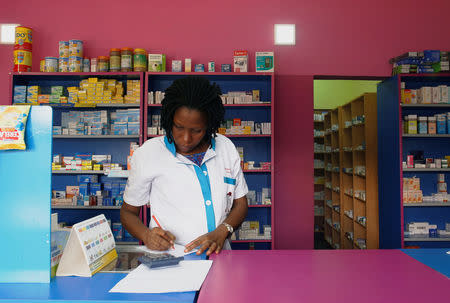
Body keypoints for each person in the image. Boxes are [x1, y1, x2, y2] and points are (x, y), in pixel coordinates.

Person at [121, 76, 248, 256]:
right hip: (170, 260)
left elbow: (241, 203)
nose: (186, 139)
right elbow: (127, 213)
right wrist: (147, 235)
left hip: (221, 257)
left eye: (196, 130)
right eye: (179, 127)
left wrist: (223, 230)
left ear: (209, 124)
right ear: (169, 119)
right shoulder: (148, 154)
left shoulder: (225, 147)